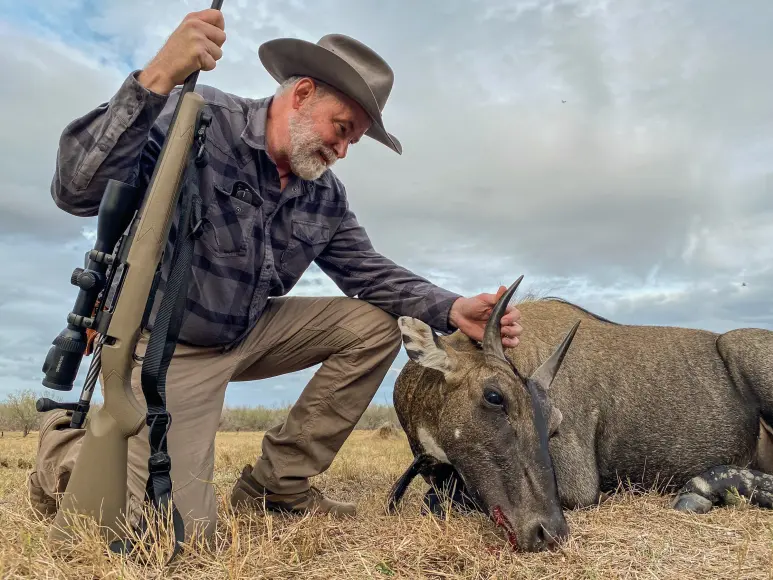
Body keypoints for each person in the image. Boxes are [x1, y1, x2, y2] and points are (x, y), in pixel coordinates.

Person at [29, 9, 522, 543]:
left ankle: (277, 485)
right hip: (170, 345)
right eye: (343, 129)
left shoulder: (324, 194)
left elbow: (369, 271)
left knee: (376, 325)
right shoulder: (195, 116)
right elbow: (74, 188)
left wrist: (451, 308)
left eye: (354, 140)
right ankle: (59, 446)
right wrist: (156, 78)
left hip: (249, 331)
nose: (343, 150)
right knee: (168, 535)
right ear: (303, 93)